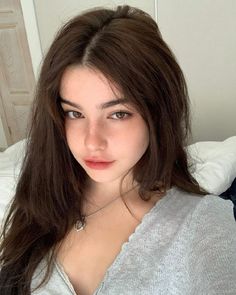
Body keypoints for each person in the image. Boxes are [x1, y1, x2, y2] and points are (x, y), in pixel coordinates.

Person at [0, 5, 235, 295]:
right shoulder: (43, 193)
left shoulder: (207, 228)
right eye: (75, 113)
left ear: (157, 114)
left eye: (118, 114)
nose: (91, 141)